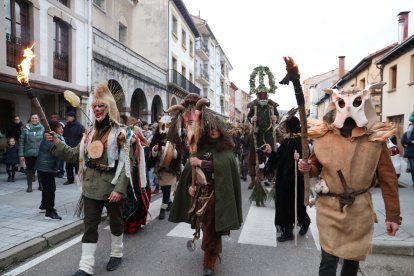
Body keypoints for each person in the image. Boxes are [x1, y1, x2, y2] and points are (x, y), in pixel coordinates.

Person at [298, 85, 401, 276]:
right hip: (330, 207)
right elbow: (314, 165)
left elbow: (388, 181)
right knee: (328, 258)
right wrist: (307, 168)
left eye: (355, 103)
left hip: (359, 210)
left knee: (352, 260)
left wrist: (393, 216)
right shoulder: (325, 137)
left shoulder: (375, 140)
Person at [45, 81, 133, 275]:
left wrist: (119, 189)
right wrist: (57, 142)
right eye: (95, 106)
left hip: (112, 186)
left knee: (116, 223)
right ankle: (85, 266)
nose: (98, 110)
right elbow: (73, 154)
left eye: (102, 106)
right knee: (90, 225)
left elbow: (127, 163)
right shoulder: (89, 132)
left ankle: (117, 253)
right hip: (91, 186)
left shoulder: (121, 133)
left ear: (109, 108)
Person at [168, 94, 243, 276]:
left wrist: (201, 164)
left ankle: (209, 262)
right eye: (210, 128)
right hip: (201, 195)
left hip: (217, 195)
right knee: (206, 226)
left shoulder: (226, 152)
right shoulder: (200, 149)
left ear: (222, 130)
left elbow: (222, 167)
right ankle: (210, 254)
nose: (213, 131)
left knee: (212, 229)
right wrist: (190, 188)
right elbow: (189, 173)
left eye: (217, 128)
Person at [264, 115, 311, 242]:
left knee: (296, 205)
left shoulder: (300, 141)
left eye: (286, 127)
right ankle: (288, 231)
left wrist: (299, 158)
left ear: (291, 127)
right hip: (284, 180)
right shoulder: (287, 141)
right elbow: (279, 158)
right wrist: (270, 153)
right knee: (284, 206)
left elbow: (307, 159)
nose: (284, 129)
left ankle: (305, 222)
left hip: (295, 180)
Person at [247, 66, 279, 190]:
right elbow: (249, 117)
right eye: (261, 95)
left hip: (270, 134)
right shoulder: (253, 106)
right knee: (254, 156)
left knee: (271, 154)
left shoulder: (272, 105)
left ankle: (271, 175)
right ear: (258, 95)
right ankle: (253, 178)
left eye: (265, 95)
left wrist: (275, 117)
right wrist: (251, 119)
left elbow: (277, 115)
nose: (263, 97)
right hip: (257, 134)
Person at [148, 115, 181, 220]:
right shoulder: (156, 138)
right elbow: (152, 154)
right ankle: (169, 203)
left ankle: (163, 208)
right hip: (160, 168)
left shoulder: (175, 138)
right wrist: (155, 150)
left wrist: (171, 151)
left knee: (166, 189)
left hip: (170, 168)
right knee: (164, 188)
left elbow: (178, 154)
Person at [37, 120, 64, 220]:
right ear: (54, 129)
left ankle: (44, 205)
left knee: (46, 188)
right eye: (59, 127)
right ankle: (50, 212)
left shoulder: (49, 136)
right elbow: (61, 151)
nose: (62, 129)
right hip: (46, 168)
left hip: (44, 167)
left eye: (61, 127)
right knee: (50, 189)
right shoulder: (51, 138)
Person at [19, 113, 44, 192]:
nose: (34, 119)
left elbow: (45, 141)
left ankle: (41, 185)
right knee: (29, 170)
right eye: (33, 118)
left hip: (40, 153)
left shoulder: (42, 128)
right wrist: (21, 154)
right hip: (29, 153)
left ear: (38, 119)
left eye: (36, 118)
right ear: (30, 119)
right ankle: (29, 186)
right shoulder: (26, 128)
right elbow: (21, 142)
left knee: (40, 169)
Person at [63, 110, 85, 185]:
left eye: (68, 117)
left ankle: (80, 179)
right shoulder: (66, 126)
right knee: (68, 165)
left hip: (77, 148)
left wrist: (79, 144)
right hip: (68, 148)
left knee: (78, 165)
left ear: (73, 117)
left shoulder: (79, 126)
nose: (66, 118)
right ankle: (70, 179)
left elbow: (83, 137)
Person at [50, 113, 66, 178]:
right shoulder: (49, 125)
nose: (53, 118)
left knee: (61, 161)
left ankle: (61, 172)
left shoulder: (61, 124)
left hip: (60, 143)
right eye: (52, 117)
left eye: (54, 117)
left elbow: (62, 132)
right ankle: (55, 171)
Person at [401, 112, 414, 186]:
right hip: (411, 153)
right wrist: (411, 141)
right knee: (413, 168)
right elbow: (403, 140)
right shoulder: (409, 132)